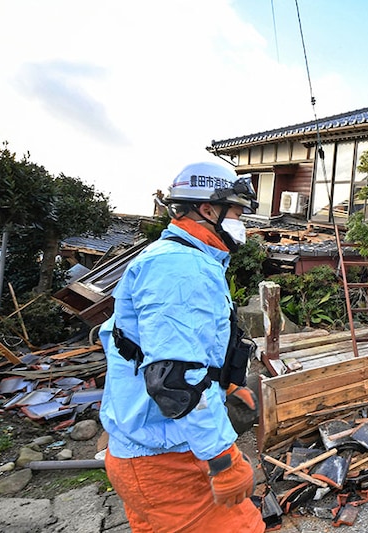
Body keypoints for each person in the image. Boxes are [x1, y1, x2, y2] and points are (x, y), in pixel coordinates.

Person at [98, 161, 265, 532]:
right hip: (168, 461)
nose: (243, 223)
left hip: (140, 453)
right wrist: (222, 459)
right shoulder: (182, 269)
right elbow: (177, 382)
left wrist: (227, 384)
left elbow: (155, 349)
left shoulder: (172, 258)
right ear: (208, 210)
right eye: (237, 212)